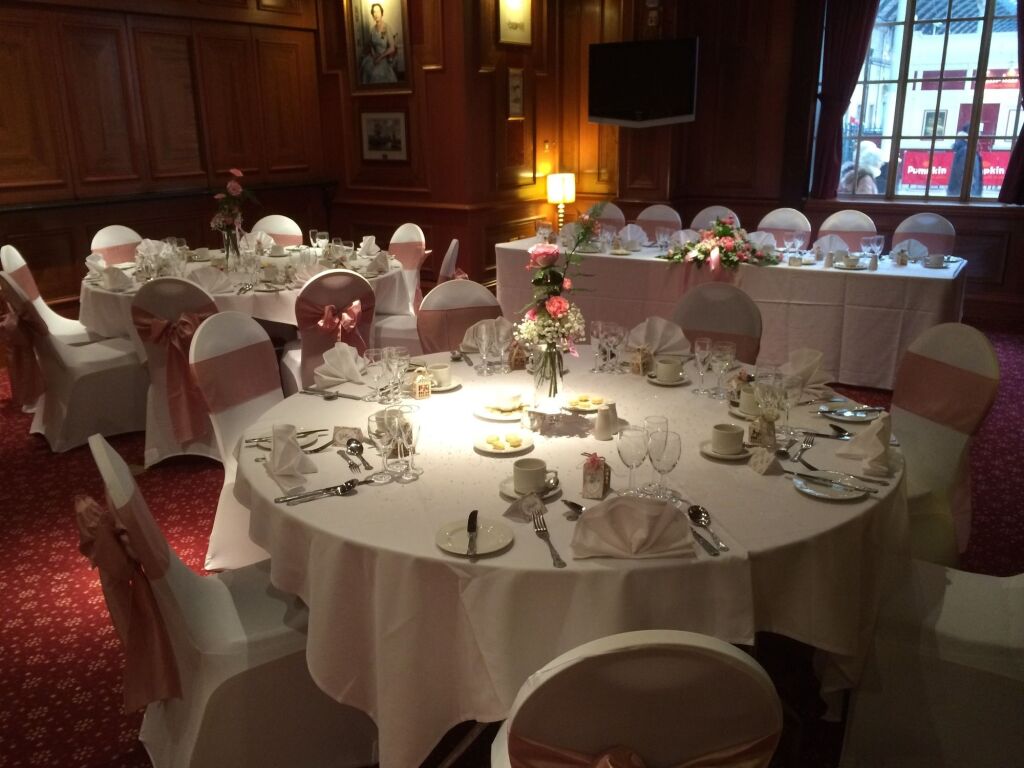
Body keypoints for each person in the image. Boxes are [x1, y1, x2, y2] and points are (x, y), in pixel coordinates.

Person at [360, 3, 397, 84]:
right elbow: (371, 45)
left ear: (382, 13)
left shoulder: (387, 27)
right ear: (372, 14)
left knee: (376, 74)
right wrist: (373, 55)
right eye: (374, 12)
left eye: (378, 11)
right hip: (374, 57)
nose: (376, 14)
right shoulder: (372, 30)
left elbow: (392, 48)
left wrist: (380, 57)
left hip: (384, 57)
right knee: (366, 69)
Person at [947, 127, 983, 196]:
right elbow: (964, 174)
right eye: (978, 133)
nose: (980, 136)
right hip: (962, 194)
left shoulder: (965, 148)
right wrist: (970, 194)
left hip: (959, 193)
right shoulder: (967, 150)